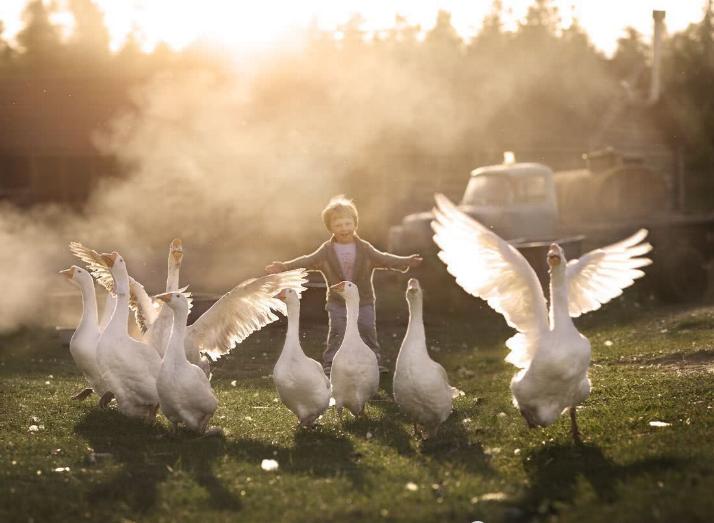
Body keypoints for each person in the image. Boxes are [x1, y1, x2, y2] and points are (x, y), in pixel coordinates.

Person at [265, 195, 422, 375]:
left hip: (364, 301)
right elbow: (307, 261)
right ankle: (331, 363)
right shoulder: (326, 251)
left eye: (347, 224)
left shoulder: (364, 249)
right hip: (337, 303)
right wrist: (284, 266)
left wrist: (405, 261)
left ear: (355, 224)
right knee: (338, 332)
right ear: (330, 228)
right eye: (338, 225)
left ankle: (373, 362)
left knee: (367, 330)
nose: (344, 229)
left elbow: (384, 258)